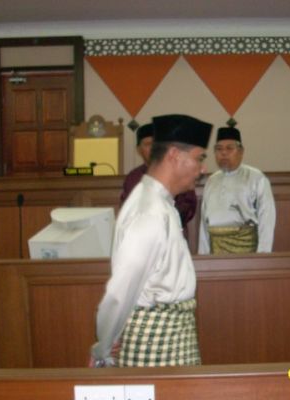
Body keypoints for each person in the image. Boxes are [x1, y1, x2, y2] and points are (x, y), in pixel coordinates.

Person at [90, 114, 213, 367]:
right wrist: (103, 347)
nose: (203, 169)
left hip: (170, 335)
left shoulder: (160, 203)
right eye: (199, 158)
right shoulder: (149, 211)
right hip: (155, 340)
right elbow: (121, 291)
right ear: (174, 155)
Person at [198, 125, 276, 254]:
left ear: (241, 151)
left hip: (247, 252)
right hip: (216, 253)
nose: (223, 153)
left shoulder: (256, 178)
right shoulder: (211, 181)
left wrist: (262, 256)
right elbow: (204, 226)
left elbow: (266, 220)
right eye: (219, 149)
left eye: (229, 148)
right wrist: (204, 257)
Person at [120, 123, 197, 237]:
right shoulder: (133, 177)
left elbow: (189, 206)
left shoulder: (178, 172)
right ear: (138, 150)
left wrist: (162, 218)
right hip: (141, 236)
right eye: (148, 144)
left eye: (156, 144)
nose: (153, 149)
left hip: (173, 234)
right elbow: (127, 209)